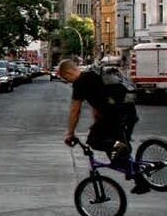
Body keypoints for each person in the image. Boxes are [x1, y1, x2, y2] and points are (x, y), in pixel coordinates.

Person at [58, 58, 148, 193]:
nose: (67, 81)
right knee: (116, 148)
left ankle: (123, 154)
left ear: (69, 72)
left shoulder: (80, 82)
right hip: (129, 113)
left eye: (65, 77)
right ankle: (140, 182)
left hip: (115, 115)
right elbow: (97, 107)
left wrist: (70, 133)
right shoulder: (95, 74)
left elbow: (75, 110)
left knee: (95, 140)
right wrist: (97, 125)